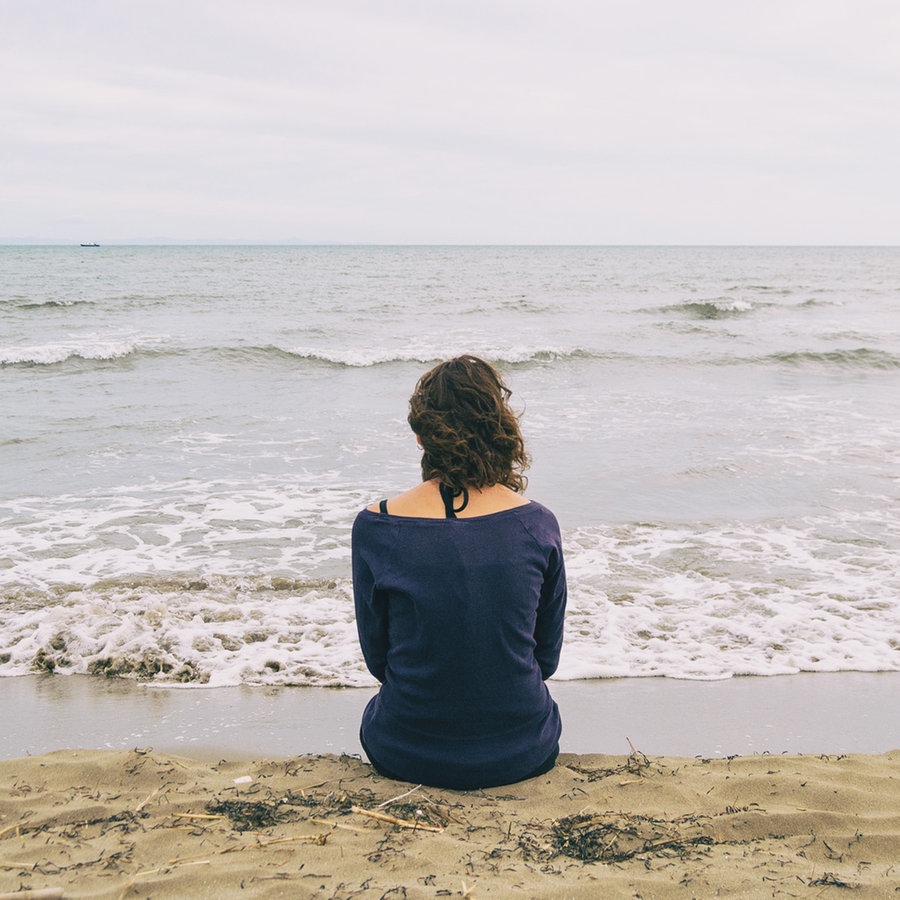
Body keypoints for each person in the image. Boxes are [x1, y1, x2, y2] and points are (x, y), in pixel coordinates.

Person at [351, 355, 566, 790]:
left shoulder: (376, 526)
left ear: (419, 436)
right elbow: (545, 658)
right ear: (501, 429)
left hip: (405, 747)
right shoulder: (537, 524)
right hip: (522, 746)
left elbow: (378, 660)